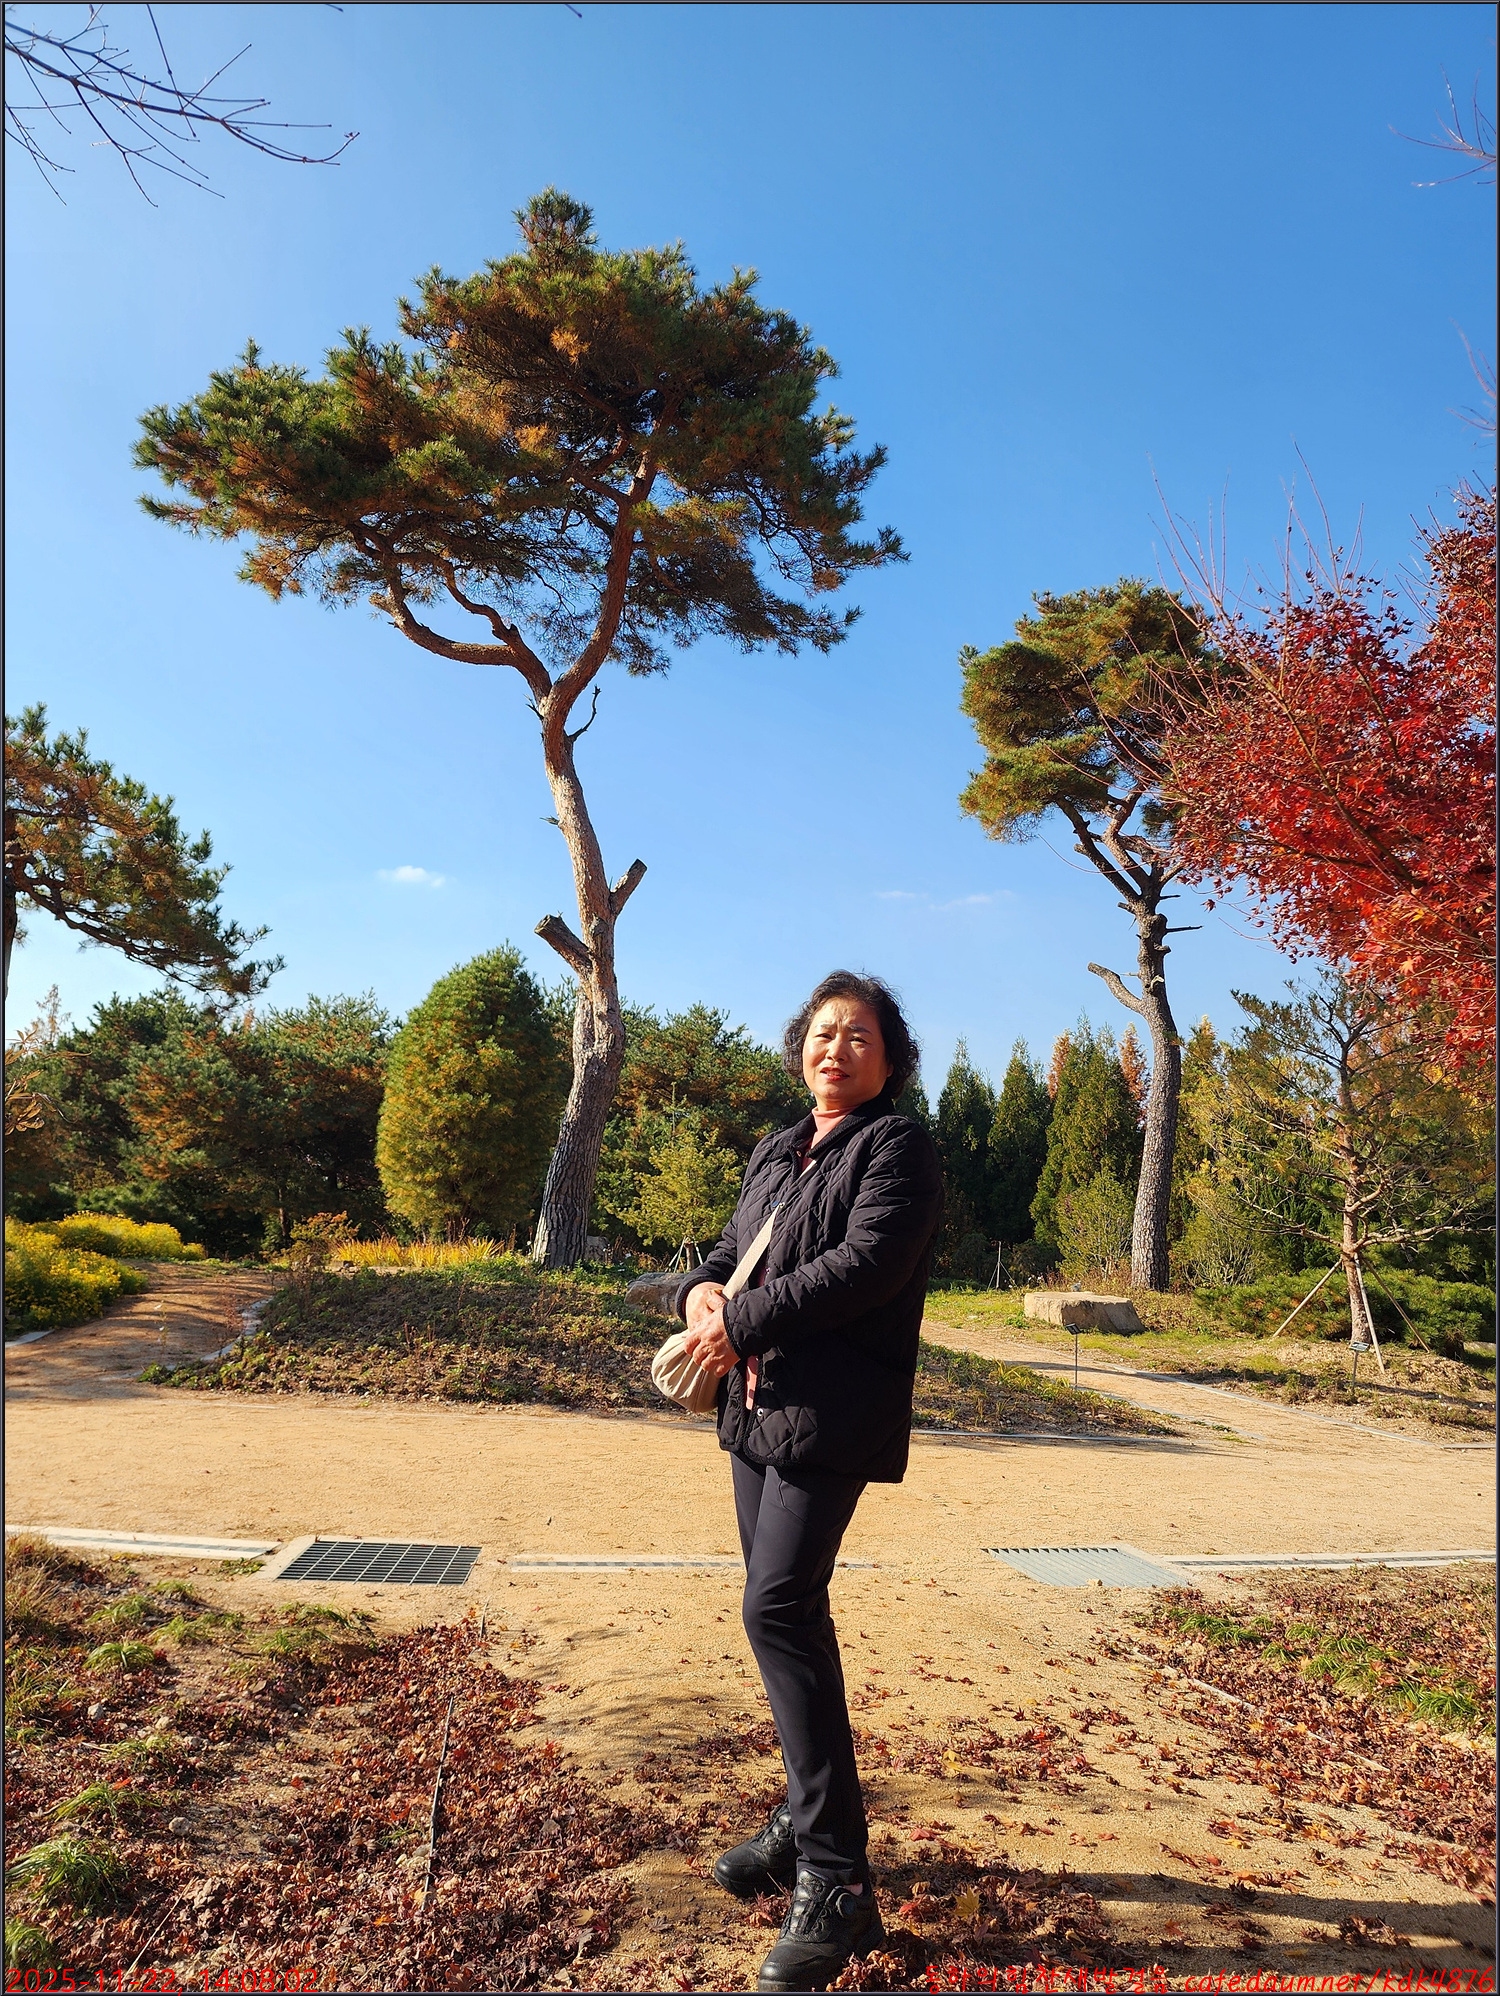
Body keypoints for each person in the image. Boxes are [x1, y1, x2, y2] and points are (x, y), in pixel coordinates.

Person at [677, 970, 943, 1992]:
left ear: (891, 1059)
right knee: (789, 1610)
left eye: (859, 1036)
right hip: (756, 1411)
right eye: (824, 1033)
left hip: (833, 1414)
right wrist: (704, 1290)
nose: (837, 1049)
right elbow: (733, 1251)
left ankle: (837, 1880)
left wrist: (739, 1322)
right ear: (802, 1048)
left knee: (777, 1607)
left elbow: (868, 1264)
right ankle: (803, 1816)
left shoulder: (897, 1147)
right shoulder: (778, 1148)